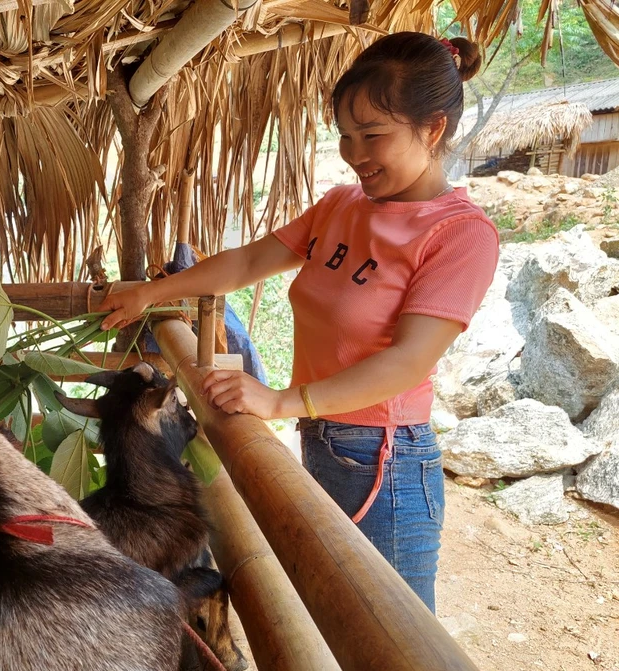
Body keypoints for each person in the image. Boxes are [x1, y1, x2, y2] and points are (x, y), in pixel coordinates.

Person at [98, 32, 496, 614]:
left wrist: (282, 401)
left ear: (432, 129)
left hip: (387, 459)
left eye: (373, 136)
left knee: (395, 636)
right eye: (346, 136)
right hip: (325, 438)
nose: (355, 153)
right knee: (343, 615)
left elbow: (409, 360)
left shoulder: (460, 235)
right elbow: (250, 261)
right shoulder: (341, 206)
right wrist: (151, 293)